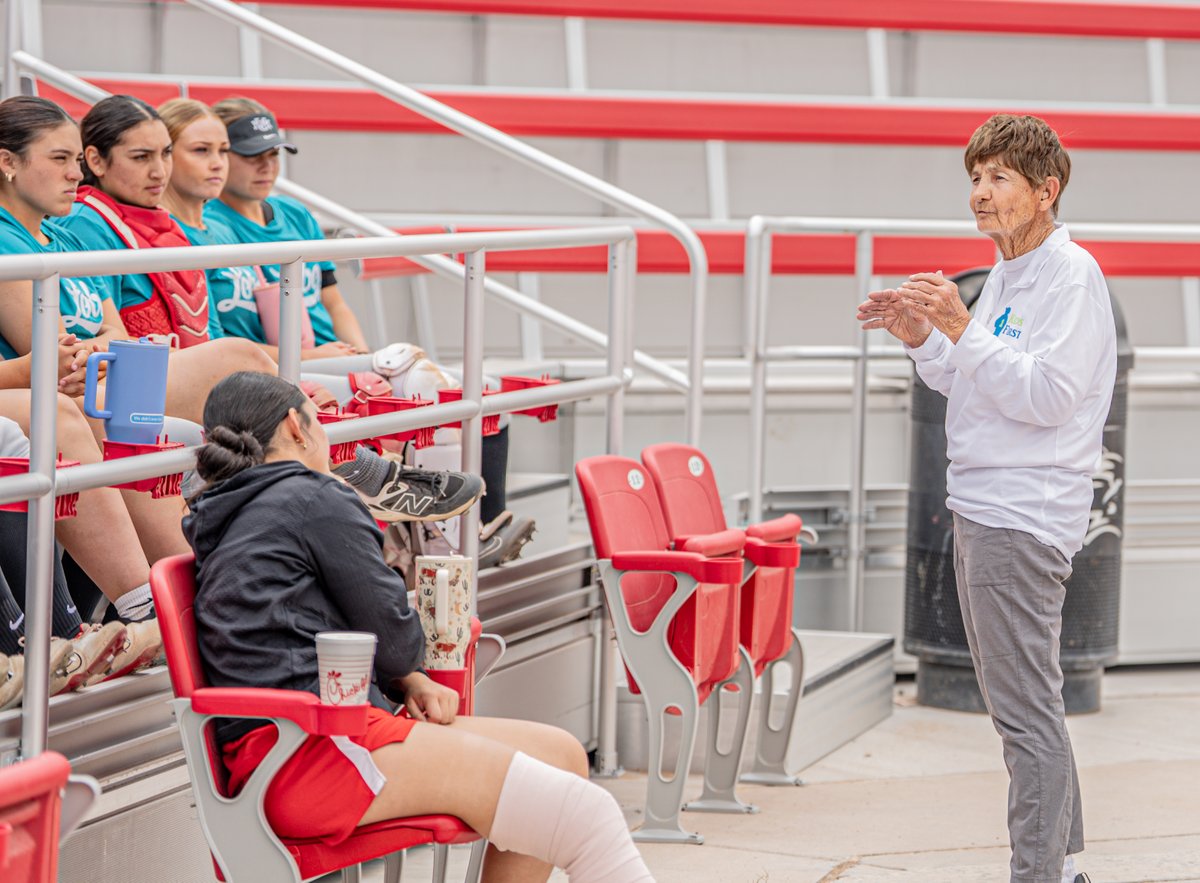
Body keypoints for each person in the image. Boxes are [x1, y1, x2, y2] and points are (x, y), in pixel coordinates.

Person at [184, 371, 653, 882]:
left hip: (281, 753)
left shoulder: (231, 512)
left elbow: (340, 639)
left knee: (561, 757)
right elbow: (399, 643)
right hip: (317, 756)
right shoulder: (313, 497)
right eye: (318, 421)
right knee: (587, 815)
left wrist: (408, 679)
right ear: (296, 427)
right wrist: (409, 669)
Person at [857, 114, 1112, 883]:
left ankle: (1038, 873)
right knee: (1027, 705)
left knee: (1023, 714)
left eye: (999, 177)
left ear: (1046, 191)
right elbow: (974, 379)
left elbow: (1047, 395)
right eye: (975, 177)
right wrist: (923, 338)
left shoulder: (1073, 277)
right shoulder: (1006, 271)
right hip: (985, 509)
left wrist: (961, 326)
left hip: (1022, 516)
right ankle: (1062, 865)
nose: (980, 193)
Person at [200, 96, 532, 564]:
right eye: (251, 154)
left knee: (486, 389)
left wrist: (360, 350)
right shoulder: (206, 225)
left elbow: (334, 298)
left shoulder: (296, 215)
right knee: (419, 384)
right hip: (280, 363)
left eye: (273, 154)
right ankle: (446, 544)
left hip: (332, 352)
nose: (266, 165)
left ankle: (478, 526)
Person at [46, 95, 279, 428]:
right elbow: (104, 340)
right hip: (120, 391)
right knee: (240, 359)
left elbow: (209, 332)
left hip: (171, 383)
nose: (159, 171)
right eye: (141, 157)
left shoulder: (167, 225)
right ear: (96, 161)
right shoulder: (84, 223)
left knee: (244, 367)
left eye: (165, 154)